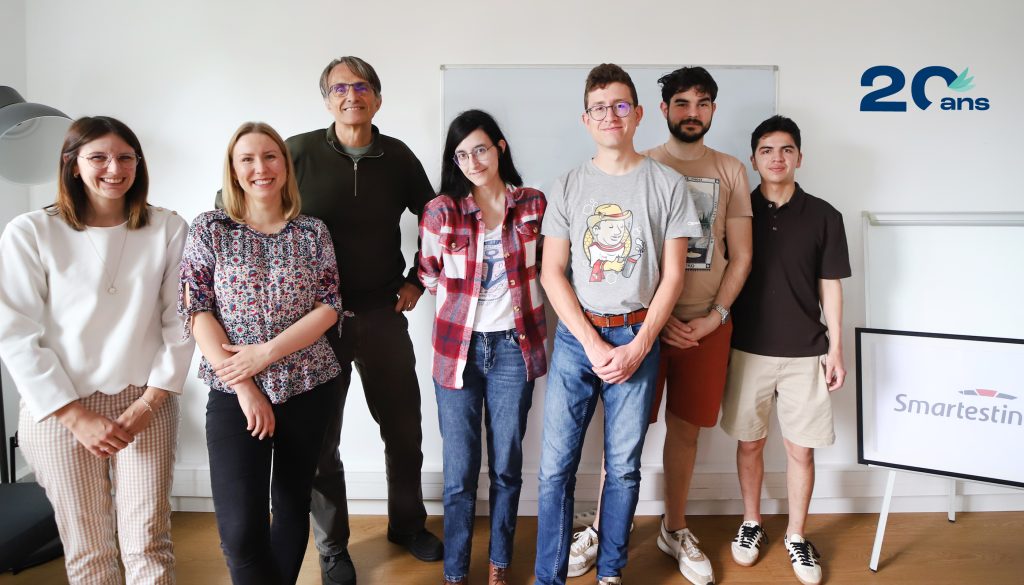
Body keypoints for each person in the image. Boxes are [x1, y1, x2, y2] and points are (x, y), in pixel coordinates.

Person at [568, 66, 754, 585]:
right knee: (620, 440)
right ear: (664, 109)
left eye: (702, 103)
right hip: (641, 328)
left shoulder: (733, 170)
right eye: (682, 103)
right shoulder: (641, 164)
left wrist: (714, 318)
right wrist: (659, 318)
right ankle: (606, 531)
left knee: (686, 432)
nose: (692, 112)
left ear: (713, 110)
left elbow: (739, 258)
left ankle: (674, 528)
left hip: (706, 330)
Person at [0, 116, 194, 584]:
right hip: (62, 409)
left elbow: (180, 322)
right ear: (72, 165)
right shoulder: (30, 232)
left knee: (149, 540)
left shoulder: (167, 227)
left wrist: (152, 401)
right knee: (89, 548)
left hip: (146, 403)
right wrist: (75, 416)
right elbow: (14, 332)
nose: (114, 168)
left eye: (126, 157)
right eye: (99, 157)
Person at [534, 63, 702, 585]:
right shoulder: (564, 187)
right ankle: (549, 577)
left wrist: (637, 346)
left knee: (624, 468)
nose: (611, 115)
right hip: (575, 340)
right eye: (601, 107)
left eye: (621, 105)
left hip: (638, 337)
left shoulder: (669, 186)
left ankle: (610, 572)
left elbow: (673, 277)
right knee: (554, 470)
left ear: (638, 115)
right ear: (587, 119)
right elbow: (552, 272)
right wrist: (590, 342)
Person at [278, 56, 442, 585]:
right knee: (323, 441)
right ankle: (332, 549)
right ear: (326, 98)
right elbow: (245, 208)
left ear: (378, 96)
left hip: (381, 314)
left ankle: (407, 524)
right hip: (314, 324)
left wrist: (418, 279)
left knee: (404, 428)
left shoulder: (397, 157)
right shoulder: (297, 152)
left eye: (363, 86)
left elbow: (439, 220)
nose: (353, 95)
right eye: (340, 88)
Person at [181, 122, 342, 585]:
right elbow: (196, 308)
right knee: (240, 528)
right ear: (233, 170)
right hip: (234, 392)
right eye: (247, 159)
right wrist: (245, 383)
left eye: (270, 156)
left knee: (291, 508)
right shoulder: (211, 228)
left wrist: (264, 355)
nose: (260, 168)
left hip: (307, 385)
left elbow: (329, 306)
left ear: (285, 166)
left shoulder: (312, 231)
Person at [419, 109, 547, 585]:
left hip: (514, 348)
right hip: (458, 352)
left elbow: (550, 270)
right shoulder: (442, 211)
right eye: (462, 153)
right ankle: (456, 573)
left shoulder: (533, 205)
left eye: (480, 149)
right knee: (458, 475)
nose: (472, 160)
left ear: (500, 148)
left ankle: (499, 564)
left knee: (507, 467)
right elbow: (430, 274)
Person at [722, 115, 850, 585]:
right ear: (753, 158)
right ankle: (751, 522)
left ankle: (797, 534)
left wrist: (835, 348)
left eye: (787, 150)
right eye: (767, 150)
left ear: (799, 157)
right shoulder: (736, 213)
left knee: (801, 451)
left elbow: (830, 286)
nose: (777, 158)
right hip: (747, 348)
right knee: (749, 443)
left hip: (804, 351)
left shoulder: (824, 215)